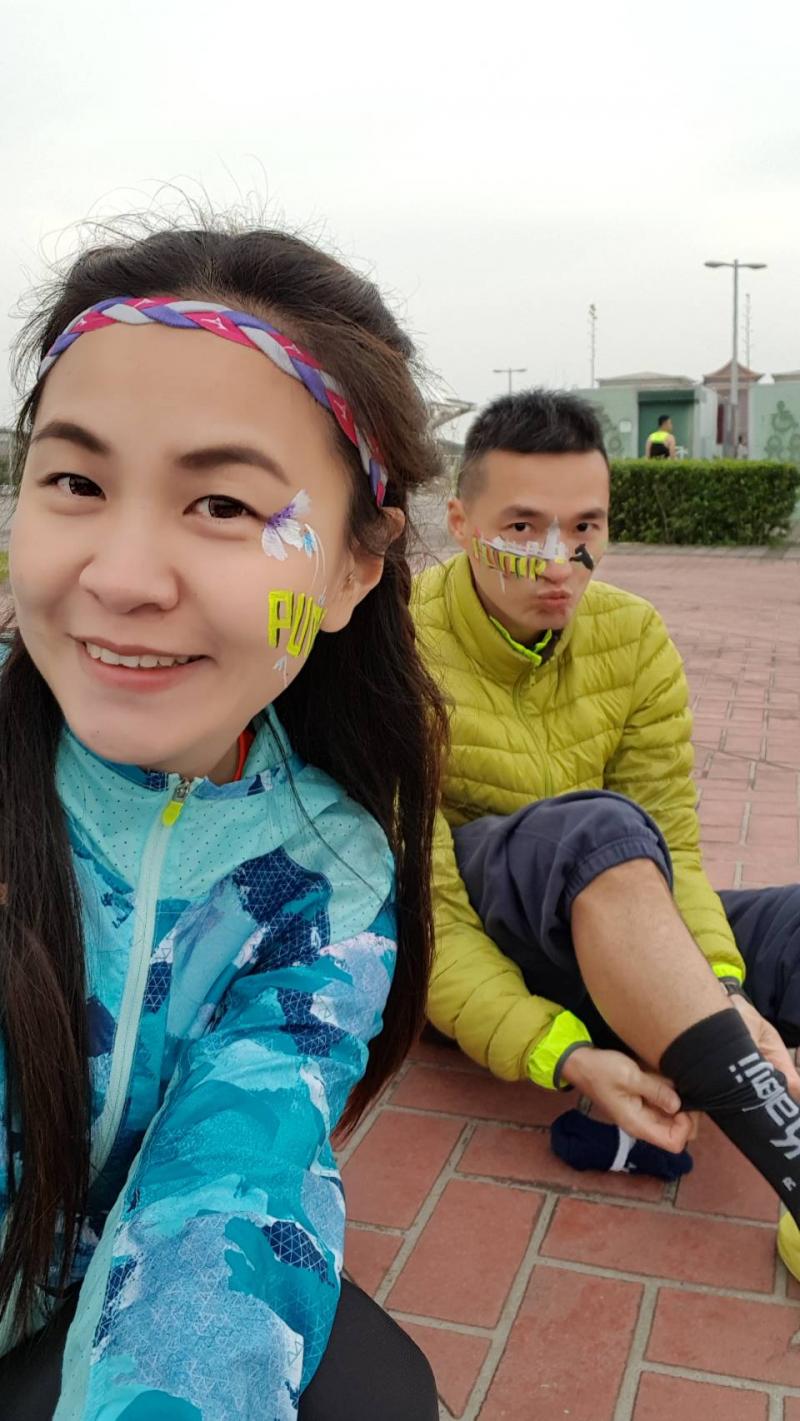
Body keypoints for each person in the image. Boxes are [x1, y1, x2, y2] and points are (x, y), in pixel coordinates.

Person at [0, 221, 447, 1420]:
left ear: (354, 566)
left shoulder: (325, 874)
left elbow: (226, 1202)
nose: (123, 575)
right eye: (75, 482)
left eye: (221, 503)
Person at [413, 387, 800, 1274]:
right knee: (598, 830)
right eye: (523, 528)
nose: (560, 560)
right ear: (462, 524)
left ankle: (704, 1033)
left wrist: (725, 985)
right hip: (484, 948)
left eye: (584, 528)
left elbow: (675, 848)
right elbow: (420, 906)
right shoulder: (395, 652)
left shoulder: (633, 635)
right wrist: (564, 1053)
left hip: (622, 920)